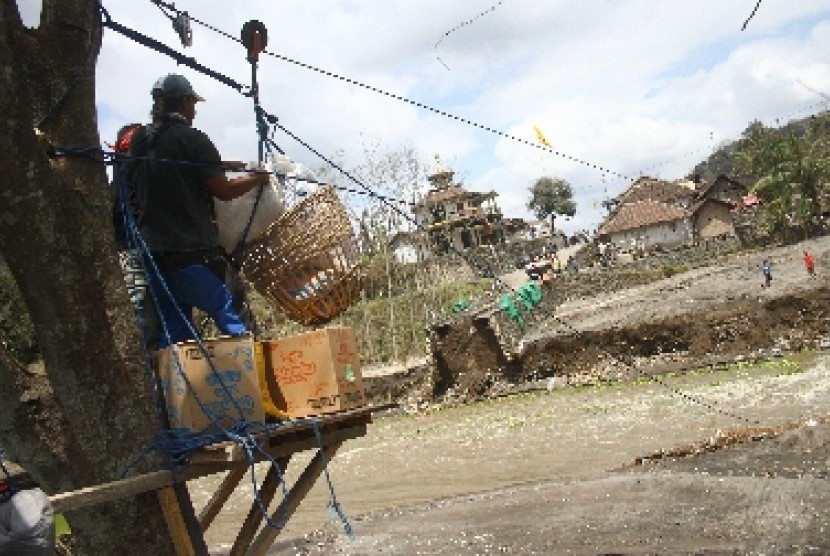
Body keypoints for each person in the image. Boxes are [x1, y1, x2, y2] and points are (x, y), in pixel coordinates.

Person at [130, 73, 270, 347]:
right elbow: (224, 191)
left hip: (154, 258)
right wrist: (258, 177)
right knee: (235, 314)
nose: (194, 110)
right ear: (183, 103)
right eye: (192, 104)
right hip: (192, 255)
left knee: (177, 337)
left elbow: (175, 167)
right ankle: (258, 380)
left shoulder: (141, 141)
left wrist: (227, 164)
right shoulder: (193, 139)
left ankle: (182, 389)